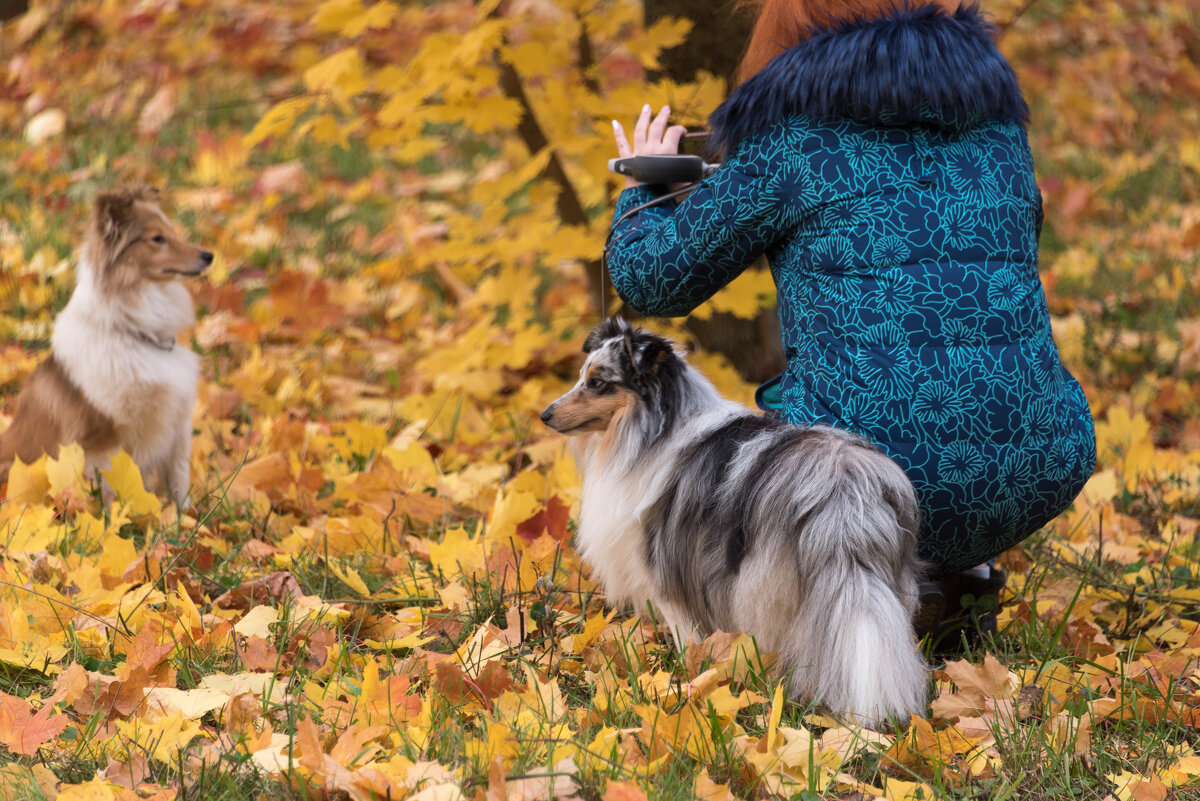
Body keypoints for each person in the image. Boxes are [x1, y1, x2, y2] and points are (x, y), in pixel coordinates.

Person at [606, 0, 1096, 644]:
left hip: (861, 471)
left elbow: (653, 278)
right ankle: (955, 575)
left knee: (786, 447)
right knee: (950, 405)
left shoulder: (789, 142)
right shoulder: (1000, 133)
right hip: (1037, 454)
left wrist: (644, 184)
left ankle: (869, 586)